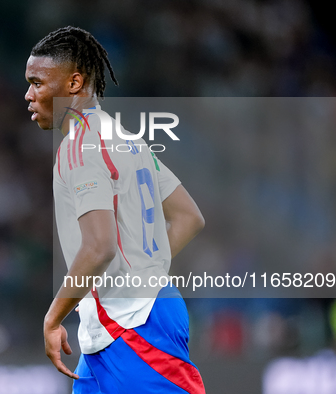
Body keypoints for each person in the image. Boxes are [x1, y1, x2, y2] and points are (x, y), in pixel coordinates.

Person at [25, 26, 206, 393]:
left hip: (135, 327)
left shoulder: (79, 146)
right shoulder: (126, 139)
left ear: (74, 83)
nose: (28, 95)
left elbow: (99, 247)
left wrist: (53, 317)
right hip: (112, 328)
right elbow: (189, 217)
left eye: (37, 83)